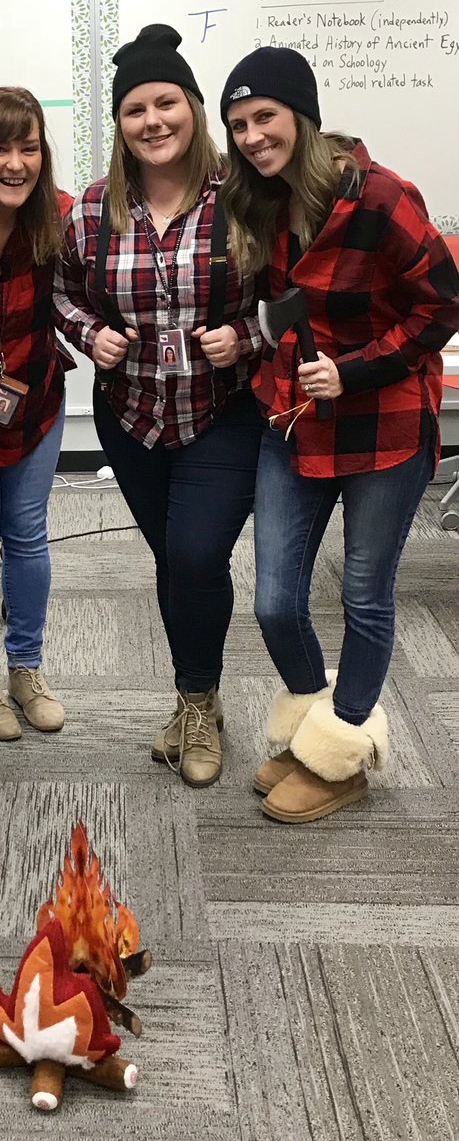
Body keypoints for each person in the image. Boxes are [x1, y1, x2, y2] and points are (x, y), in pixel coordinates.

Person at [220, 46, 459, 822]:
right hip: (294, 418)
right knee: (274, 602)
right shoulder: (257, 201)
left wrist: (354, 371)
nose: (252, 136)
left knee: (363, 592)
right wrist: (244, 339)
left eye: (263, 118)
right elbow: (275, 312)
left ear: (301, 114)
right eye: (238, 125)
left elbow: (441, 308)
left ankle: (342, 746)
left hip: (383, 422)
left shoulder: (383, 197)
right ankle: (313, 723)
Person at [53, 24, 263, 788]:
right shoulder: (91, 210)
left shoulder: (242, 199)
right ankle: (191, 697)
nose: (152, 120)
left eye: (165, 102)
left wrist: (243, 334)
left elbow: (287, 297)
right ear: (118, 123)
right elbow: (61, 292)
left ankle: (199, 707)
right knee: (171, 559)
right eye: (134, 108)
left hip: (222, 411)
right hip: (131, 414)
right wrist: (88, 334)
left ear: (193, 107)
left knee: (198, 554)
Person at [0, 86, 74, 742]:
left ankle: (25, 669)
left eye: (26, 147)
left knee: (27, 533)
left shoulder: (55, 218)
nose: (13, 162)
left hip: (35, 400)